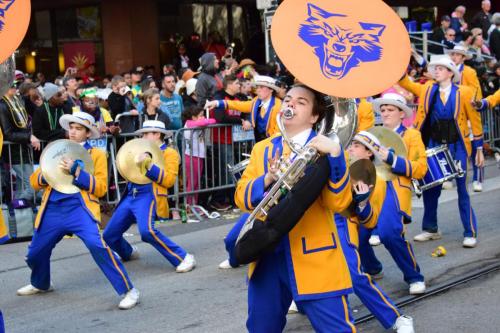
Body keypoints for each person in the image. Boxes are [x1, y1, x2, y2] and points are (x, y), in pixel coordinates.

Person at [235, 84, 356, 333]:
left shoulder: (327, 149)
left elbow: (339, 203)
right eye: (288, 99)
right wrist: (267, 179)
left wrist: (335, 156)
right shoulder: (263, 149)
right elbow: (242, 198)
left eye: (301, 102)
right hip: (267, 255)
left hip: (314, 253)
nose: (290, 104)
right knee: (260, 329)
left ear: (314, 116)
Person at [16, 112, 139, 309]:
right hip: (53, 208)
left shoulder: (97, 154)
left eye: (78, 129)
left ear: (88, 133)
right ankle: (41, 283)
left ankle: (128, 290)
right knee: (35, 254)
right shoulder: (55, 149)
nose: (72, 132)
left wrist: (76, 171)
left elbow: (100, 188)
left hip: (79, 208)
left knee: (97, 246)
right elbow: (34, 181)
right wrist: (50, 174)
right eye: (71, 128)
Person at [327, 131, 414, 332]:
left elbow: (369, 220)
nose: (350, 149)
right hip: (317, 222)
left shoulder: (380, 181)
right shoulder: (338, 165)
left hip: (343, 223)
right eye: (351, 145)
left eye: (356, 146)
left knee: (354, 276)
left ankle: (397, 318)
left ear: (369, 153)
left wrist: (363, 201)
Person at [399, 57, 484, 247]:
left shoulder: (464, 92)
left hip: (457, 146)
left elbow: (475, 120)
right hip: (434, 144)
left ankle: (470, 231)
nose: (436, 71)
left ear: (450, 73)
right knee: (431, 187)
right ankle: (431, 228)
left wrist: (478, 147)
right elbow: (405, 83)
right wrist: (397, 65)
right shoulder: (428, 88)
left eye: (440, 68)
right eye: (435, 68)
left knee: (462, 189)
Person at [103, 120, 196, 273]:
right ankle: (128, 252)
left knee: (147, 232)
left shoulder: (170, 153)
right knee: (109, 234)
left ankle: (183, 257)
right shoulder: (137, 150)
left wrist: (149, 165)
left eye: (147, 134)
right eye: (142, 134)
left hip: (149, 195)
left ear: (158, 134)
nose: (143, 137)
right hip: (131, 195)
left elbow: (169, 180)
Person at [358, 94, 427, 295]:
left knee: (389, 233)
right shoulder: (372, 135)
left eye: (390, 110)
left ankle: (414, 276)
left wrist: (392, 159)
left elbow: (420, 168)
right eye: (384, 109)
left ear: (401, 113)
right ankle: (373, 268)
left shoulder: (411, 135)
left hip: (395, 190)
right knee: (358, 235)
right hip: (371, 189)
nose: (385, 113)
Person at [209, 74, 253, 211]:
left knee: (236, 169)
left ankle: (232, 197)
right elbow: (220, 117)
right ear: (229, 85)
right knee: (226, 171)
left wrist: (245, 119)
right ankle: (219, 199)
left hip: (237, 140)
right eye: (237, 83)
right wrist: (240, 121)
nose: (239, 86)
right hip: (222, 139)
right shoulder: (219, 97)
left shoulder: (239, 98)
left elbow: (245, 111)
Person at [205, 75, 282, 142]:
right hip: (259, 143)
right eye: (257, 87)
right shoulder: (256, 102)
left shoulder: (279, 105)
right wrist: (217, 103)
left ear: (271, 90)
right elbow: (238, 105)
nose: (258, 90)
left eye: (261, 87)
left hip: (274, 143)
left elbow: (279, 132)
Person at [0, 83, 40, 201]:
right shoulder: (2, 105)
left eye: (15, 85)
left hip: (24, 150)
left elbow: (33, 112)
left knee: (21, 187)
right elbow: (7, 134)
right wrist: (29, 137)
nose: (15, 87)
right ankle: (17, 207)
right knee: (32, 188)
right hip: (15, 152)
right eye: (11, 85)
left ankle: (19, 215)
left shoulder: (17, 100)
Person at [182, 106, 216, 207]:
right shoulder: (189, 123)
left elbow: (213, 120)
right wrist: (205, 120)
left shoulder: (195, 122)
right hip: (191, 156)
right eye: (201, 115)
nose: (203, 117)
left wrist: (205, 120)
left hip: (199, 156)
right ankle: (189, 206)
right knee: (192, 183)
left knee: (196, 183)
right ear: (193, 117)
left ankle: (194, 204)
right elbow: (202, 122)